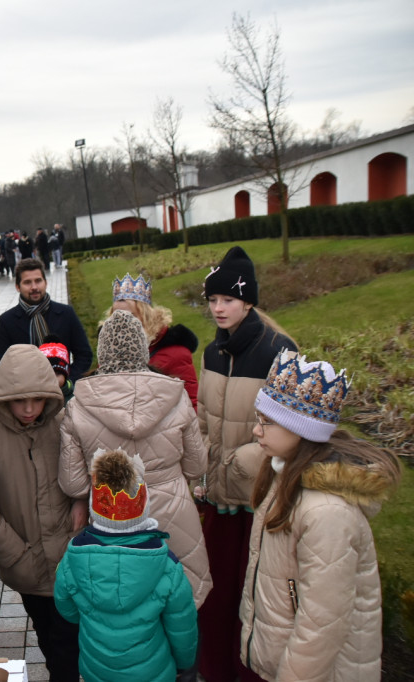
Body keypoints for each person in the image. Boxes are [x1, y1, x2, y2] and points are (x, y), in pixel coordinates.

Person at [240, 351, 400, 681]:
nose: (256, 431)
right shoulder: (285, 476)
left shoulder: (326, 512)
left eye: (266, 422)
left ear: (301, 429)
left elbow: (321, 624)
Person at [58, 310, 211, 608]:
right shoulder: (175, 396)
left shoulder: (77, 407)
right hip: (174, 516)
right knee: (178, 602)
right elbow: (197, 465)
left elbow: (73, 483)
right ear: (143, 348)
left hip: (111, 520)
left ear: (102, 352)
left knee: (125, 607)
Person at [194, 245, 296, 682]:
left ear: (248, 301)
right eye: (213, 300)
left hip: (257, 502)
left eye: (228, 300)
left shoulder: (279, 350)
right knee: (215, 601)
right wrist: (202, 466)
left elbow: (292, 430)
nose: (218, 308)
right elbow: (202, 419)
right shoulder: (212, 353)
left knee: (252, 600)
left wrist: (239, 462)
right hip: (217, 501)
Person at [0, 345, 80, 681]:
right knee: (52, 640)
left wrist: (80, 506)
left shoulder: (64, 425)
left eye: (38, 399)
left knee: (70, 643)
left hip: (70, 558)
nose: (29, 409)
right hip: (29, 566)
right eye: (19, 400)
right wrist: (18, 556)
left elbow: (83, 476)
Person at [54, 449, 198, 682]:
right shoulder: (167, 567)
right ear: (144, 507)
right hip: (153, 672)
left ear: (95, 510)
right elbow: (182, 626)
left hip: (96, 669)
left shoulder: (72, 559)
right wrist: (184, 664)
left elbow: (67, 610)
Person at [107, 273, 199, 408]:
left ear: (146, 316)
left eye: (130, 316)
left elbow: (191, 404)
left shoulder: (176, 355)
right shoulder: (110, 351)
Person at [0, 259, 93, 379]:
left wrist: (65, 378)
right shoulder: (7, 321)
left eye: (38, 281)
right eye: (27, 282)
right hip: (27, 392)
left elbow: (84, 355)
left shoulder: (66, 313)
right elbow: (0, 365)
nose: (34, 287)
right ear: (17, 287)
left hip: (63, 390)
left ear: (45, 282)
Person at [39, 337, 74, 404]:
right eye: (47, 374)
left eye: (57, 374)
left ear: (65, 375)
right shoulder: (34, 396)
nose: (53, 379)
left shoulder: (74, 397)